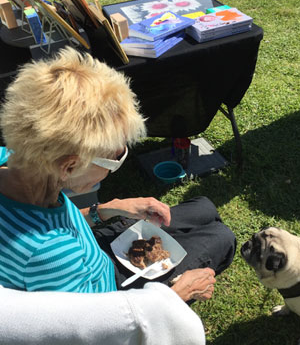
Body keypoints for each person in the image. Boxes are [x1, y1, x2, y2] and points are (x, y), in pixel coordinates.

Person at [0, 47, 235, 302]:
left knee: (204, 207)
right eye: (115, 157)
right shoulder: (48, 254)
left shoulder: (12, 161)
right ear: (69, 166)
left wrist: (110, 209)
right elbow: (97, 333)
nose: (117, 163)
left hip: (90, 250)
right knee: (222, 237)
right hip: (111, 295)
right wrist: (176, 296)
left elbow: (53, 220)